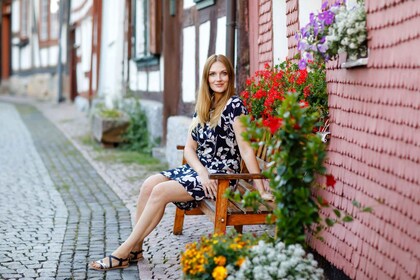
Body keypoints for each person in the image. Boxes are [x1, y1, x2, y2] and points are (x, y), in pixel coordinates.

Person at [89, 54, 271, 271]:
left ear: (230, 77)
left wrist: (260, 188)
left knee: (160, 192)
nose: (218, 78)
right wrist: (201, 172)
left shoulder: (235, 106)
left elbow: (246, 150)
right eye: (213, 74)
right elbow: (190, 149)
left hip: (221, 176)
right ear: (206, 78)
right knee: (149, 183)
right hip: (201, 171)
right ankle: (136, 249)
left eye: (223, 73)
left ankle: (122, 252)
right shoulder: (205, 105)